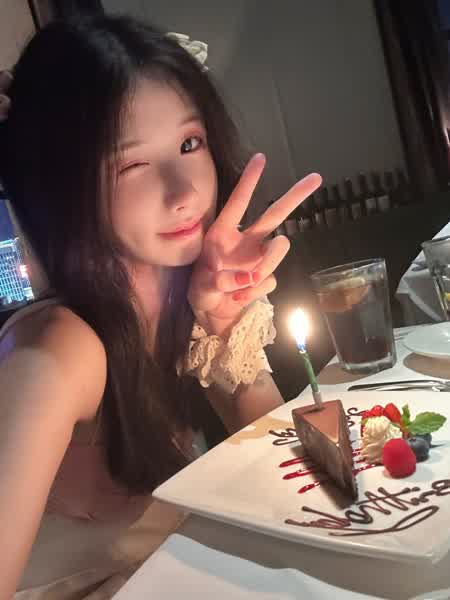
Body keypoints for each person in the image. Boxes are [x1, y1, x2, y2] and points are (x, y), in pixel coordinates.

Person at [0, 14, 321, 599]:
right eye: (131, 164)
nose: (185, 191)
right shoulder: (58, 355)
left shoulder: (178, 301)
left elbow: (292, 477)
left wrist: (224, 326)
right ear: (63, 185)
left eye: (189, 143)